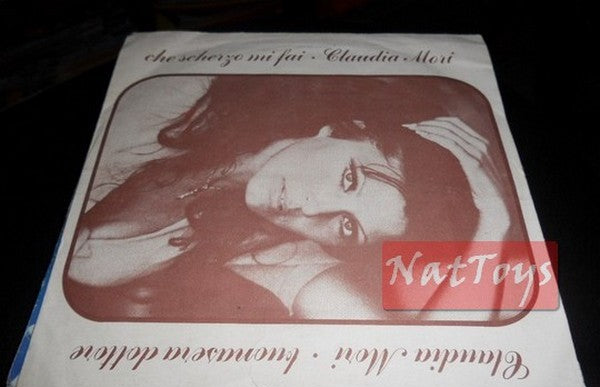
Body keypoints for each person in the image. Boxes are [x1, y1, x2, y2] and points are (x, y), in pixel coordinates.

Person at [64, 75, 522, 322]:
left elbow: (414, 372)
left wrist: (494, 224)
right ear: (341, 129)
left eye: (347, 227)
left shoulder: (270, 246)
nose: (311, 210)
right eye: (349, 179)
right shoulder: (187, 97)